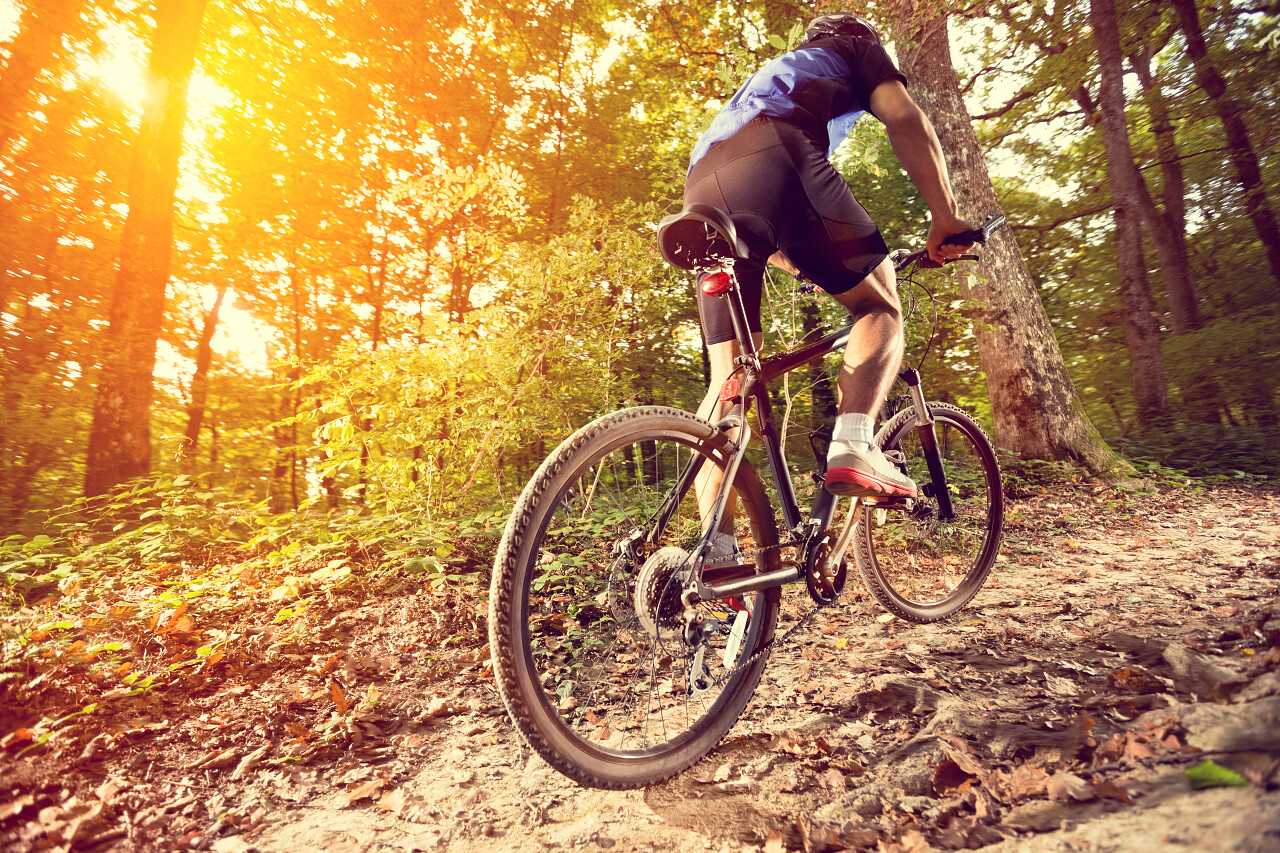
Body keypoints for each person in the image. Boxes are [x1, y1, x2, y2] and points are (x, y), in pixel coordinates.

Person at [683, 12, 975, 512]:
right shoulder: (855, 48)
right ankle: (856, 445)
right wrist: (945, 216)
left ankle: (717, 559)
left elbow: (757, 210)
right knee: (879, 308)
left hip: (701, 187)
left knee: (726, 385)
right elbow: (905, 119)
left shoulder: (772, 76)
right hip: (775, 151)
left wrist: (805, 265)